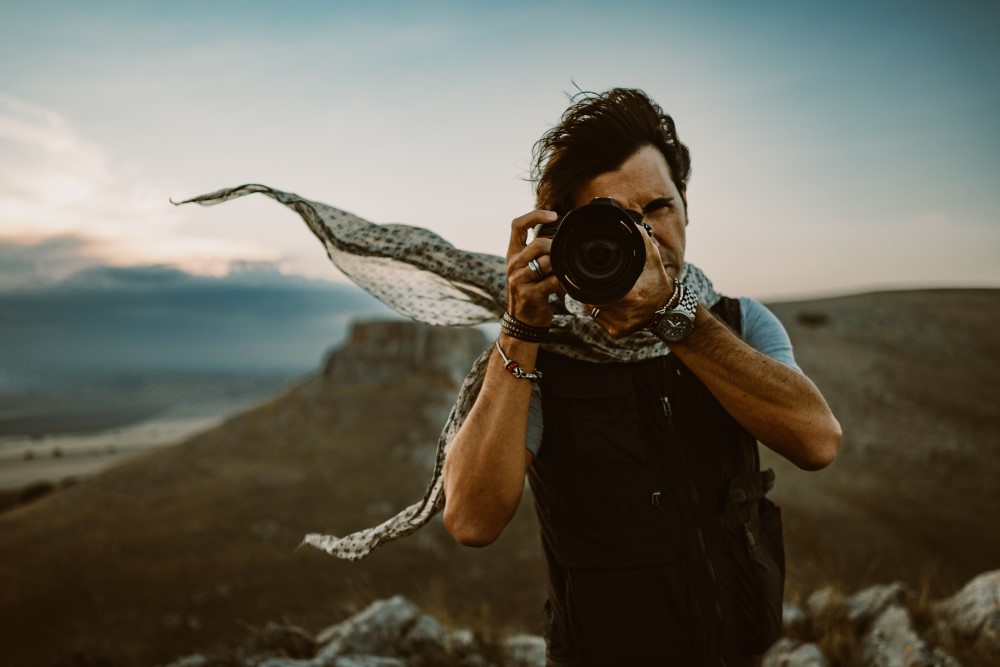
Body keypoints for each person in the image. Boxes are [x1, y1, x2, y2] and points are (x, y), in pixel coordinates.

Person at [441, 88, 842, 666]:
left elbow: (818, 442)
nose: (647, 236)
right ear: (567, 237)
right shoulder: (543, 355)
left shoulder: (736, 322)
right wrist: (520, 330)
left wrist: (676, 320)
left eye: (658, 208)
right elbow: (473, 520)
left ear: (686, 206)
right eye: (617, 220)